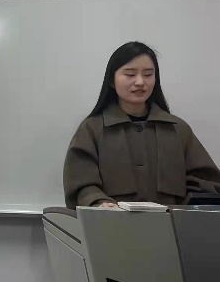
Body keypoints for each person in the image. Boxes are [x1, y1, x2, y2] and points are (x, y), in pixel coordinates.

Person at [64, 41, 220, 209]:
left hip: (170, 225)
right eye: (130, 74)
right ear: (112, 80)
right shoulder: (91, 129)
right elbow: (82, 184)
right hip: (112, 223)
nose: (140, 82)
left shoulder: (178, 129)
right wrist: (99, 202)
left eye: (148, 74)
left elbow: (206, 183)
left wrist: (185, 209)